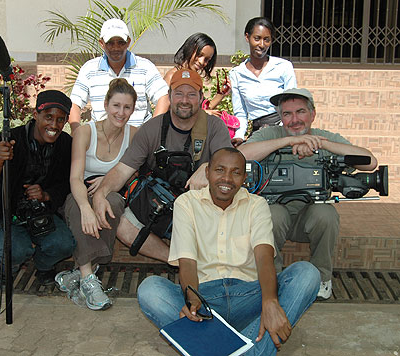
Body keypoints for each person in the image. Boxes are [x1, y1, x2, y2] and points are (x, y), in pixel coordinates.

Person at [137, 147, 320, 355]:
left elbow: (264, 257)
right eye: (220, 170)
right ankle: (246, 348)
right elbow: (187, 261)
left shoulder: (257, 205)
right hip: (204, 299)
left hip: (250, 298)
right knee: (150, 289)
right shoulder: (187, 203)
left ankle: (216, 346)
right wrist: (193, 301)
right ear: (207, 172)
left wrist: (270, 302)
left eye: (236, 172)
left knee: (307, 273)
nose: (227, 178)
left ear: (244, 177)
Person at [239, 88, 378, 300]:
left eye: (300, 112)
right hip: (276, 217)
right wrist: (288, 142)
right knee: (270, 214)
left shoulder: (326, 138)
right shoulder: (269, 135)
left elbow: (370, 161)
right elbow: (238, 157)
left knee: (326, 214)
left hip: (310, 219)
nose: (294, 120)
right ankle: (270, 279)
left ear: (312, 114)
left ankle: (322, 279)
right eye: (287, 114)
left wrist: (322, 144)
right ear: (281, 117)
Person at [92, 69, 232, 262]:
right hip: (160, 207)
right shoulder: (152, 128)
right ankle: (177, 261)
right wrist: (101, 193)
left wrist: (208, 169)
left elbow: (230, 166)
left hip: (201, 210)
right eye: (179, 94)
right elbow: (123, 170)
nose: (184, 100)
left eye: (191, 94)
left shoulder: (214, 127)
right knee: (122, 224)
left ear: (201, 98)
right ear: (169, 96)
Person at [0, 90, 76, 287]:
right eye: (48, 117)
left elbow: (66, 183)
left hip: (42, 213)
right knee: (15, 249)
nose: (53, 125)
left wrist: (46, 195)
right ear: (35, 115)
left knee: (64, 244)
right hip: (8, 214)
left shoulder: (65, 144)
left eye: (60, 120)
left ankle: (44, 266)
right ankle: (7, 268)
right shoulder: (10, 139)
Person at [55, 79, 138, 310]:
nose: (121, 113)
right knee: (75, 206)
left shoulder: (134, 135)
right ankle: (89, 279)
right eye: (116, 106)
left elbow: (134, 172)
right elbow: (74, 178)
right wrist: (86, 209)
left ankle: (82, 275)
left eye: (127, 107)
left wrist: (110, 178)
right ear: (105, 104)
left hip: (112, 192)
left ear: (133, 109)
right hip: (80, 190)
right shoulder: (84, 132)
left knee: (112, 203)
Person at [69, 18, 169, 132]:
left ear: (128, 42)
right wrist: (77, 133)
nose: (116, 48)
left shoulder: (145, 67)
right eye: (110, 43)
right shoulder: (89, 69)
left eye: (121, 42)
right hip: (101, 140)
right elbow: (74, 104)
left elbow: (164, 98)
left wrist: (149, 132)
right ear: (101, 43)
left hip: (138, 140)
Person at [229, 17, 297, 145]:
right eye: (257, 38)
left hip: (283, 131)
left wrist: (282, 131)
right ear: (247, 37)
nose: (261, 44)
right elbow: (241, 113)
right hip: (257, 133)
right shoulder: (236, 74)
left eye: (267, 40)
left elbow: (292, 104)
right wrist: (239, 136)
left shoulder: (283, 67)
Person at [163, 33, 231, 116]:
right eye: (199, 55)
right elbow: (165, 112)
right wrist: (202, 113)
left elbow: (203, 109)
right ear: (189, 49)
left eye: (207, 60)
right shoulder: (172, 76)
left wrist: (221, 94)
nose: (202, 62)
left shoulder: (194, 78)